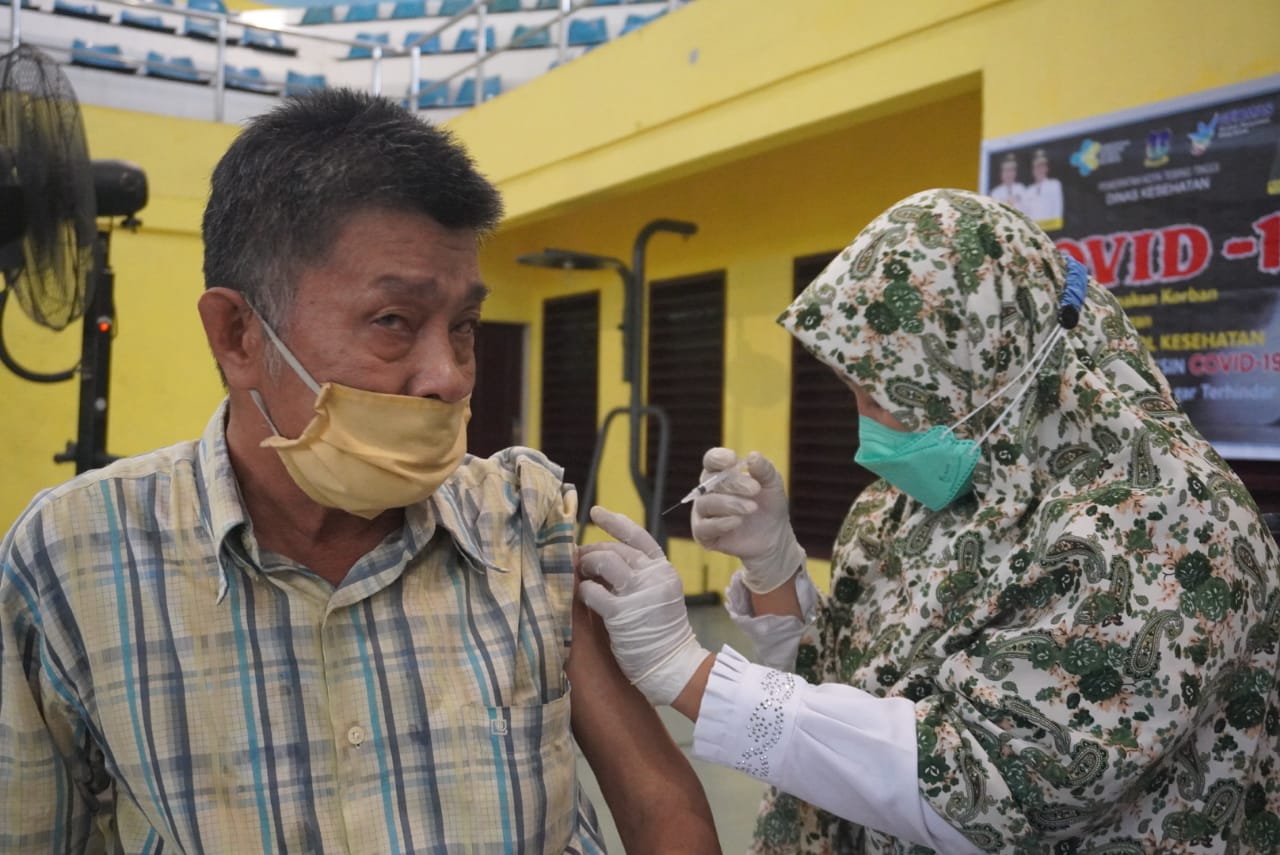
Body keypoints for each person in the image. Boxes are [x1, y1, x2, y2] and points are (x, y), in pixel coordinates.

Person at [0, 89, 721, 854]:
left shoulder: (521, 519)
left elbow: (661, 808)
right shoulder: (74, 560)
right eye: (393, 322)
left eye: (465, 327)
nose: (448, 374)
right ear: (239, 334)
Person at [578, 188, 1280, 853]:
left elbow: (982, 789)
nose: (867, 428)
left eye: (889, 397)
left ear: (993, 371)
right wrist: (772, 567)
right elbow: (839, 693)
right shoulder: (917, 498)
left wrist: (684, 668)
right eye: (856, 390)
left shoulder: (1168, 526)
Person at [1021, 148, 1064, 230]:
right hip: (1034, 231)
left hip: (1052, 229)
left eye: (1042, 166)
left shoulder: (1054, 184)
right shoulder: (1028, 190)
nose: (1039, 170)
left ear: (1046, 168)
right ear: (1033, 170)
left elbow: (1057, 209)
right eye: (1036, 167)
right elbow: (1025, 214)